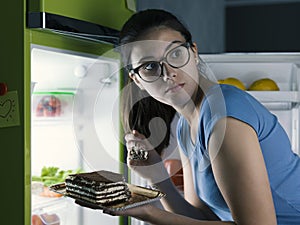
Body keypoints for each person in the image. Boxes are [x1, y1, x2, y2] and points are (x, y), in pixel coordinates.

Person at [82, 9, 300, 225]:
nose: (169, 73)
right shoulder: (186, 127)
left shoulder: (225, 117)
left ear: (194, 52)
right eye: (150, 66)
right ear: (137, 80)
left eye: (176, 54)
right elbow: (200, 217)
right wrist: (158, 177)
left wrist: (150, 213)